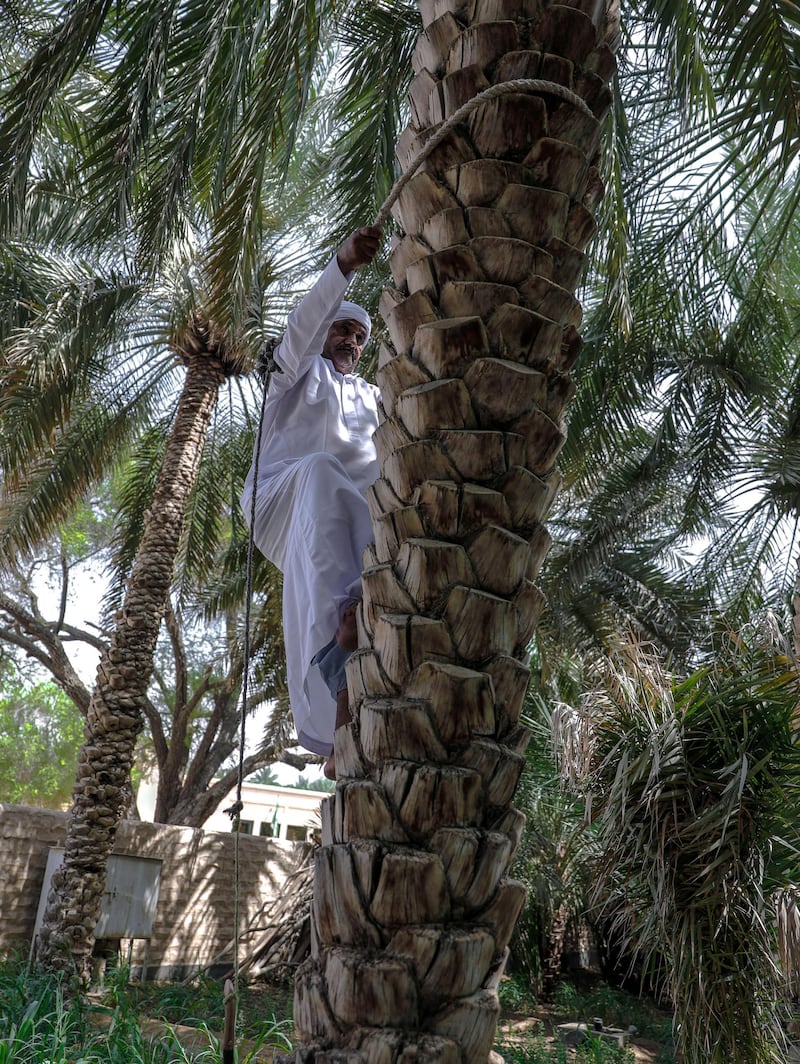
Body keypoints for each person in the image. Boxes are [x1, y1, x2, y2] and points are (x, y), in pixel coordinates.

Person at [241, 226, 382, 778]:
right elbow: (299, 331)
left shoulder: (375, 396)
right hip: (279, 501)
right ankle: (337, 660)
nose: (351, 341)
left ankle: (347, 682)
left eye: (360, 336)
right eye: (342, 329)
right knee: (323, 473)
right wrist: (343, 265)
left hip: (345, 517)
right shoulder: (292, 374)